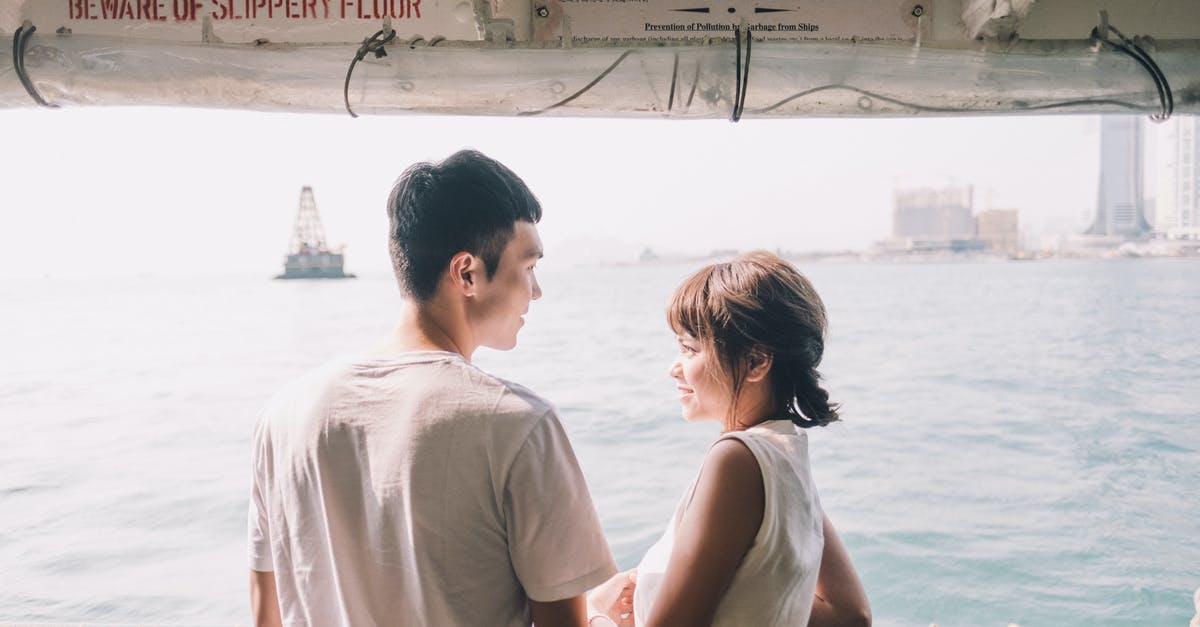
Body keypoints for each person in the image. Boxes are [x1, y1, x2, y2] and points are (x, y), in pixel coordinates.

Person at [247, 149, 624, 627]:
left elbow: (266, 614)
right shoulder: (518, 424)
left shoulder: (283, 413)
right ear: (467, 272)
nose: (536, 290)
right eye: (529, 267)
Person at [629, 251, 871, 627]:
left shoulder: (735, 459)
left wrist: (597, 614)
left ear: (757, 362)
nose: (674, 368)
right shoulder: (786, 454)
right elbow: (850, 616)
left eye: (690, 349)